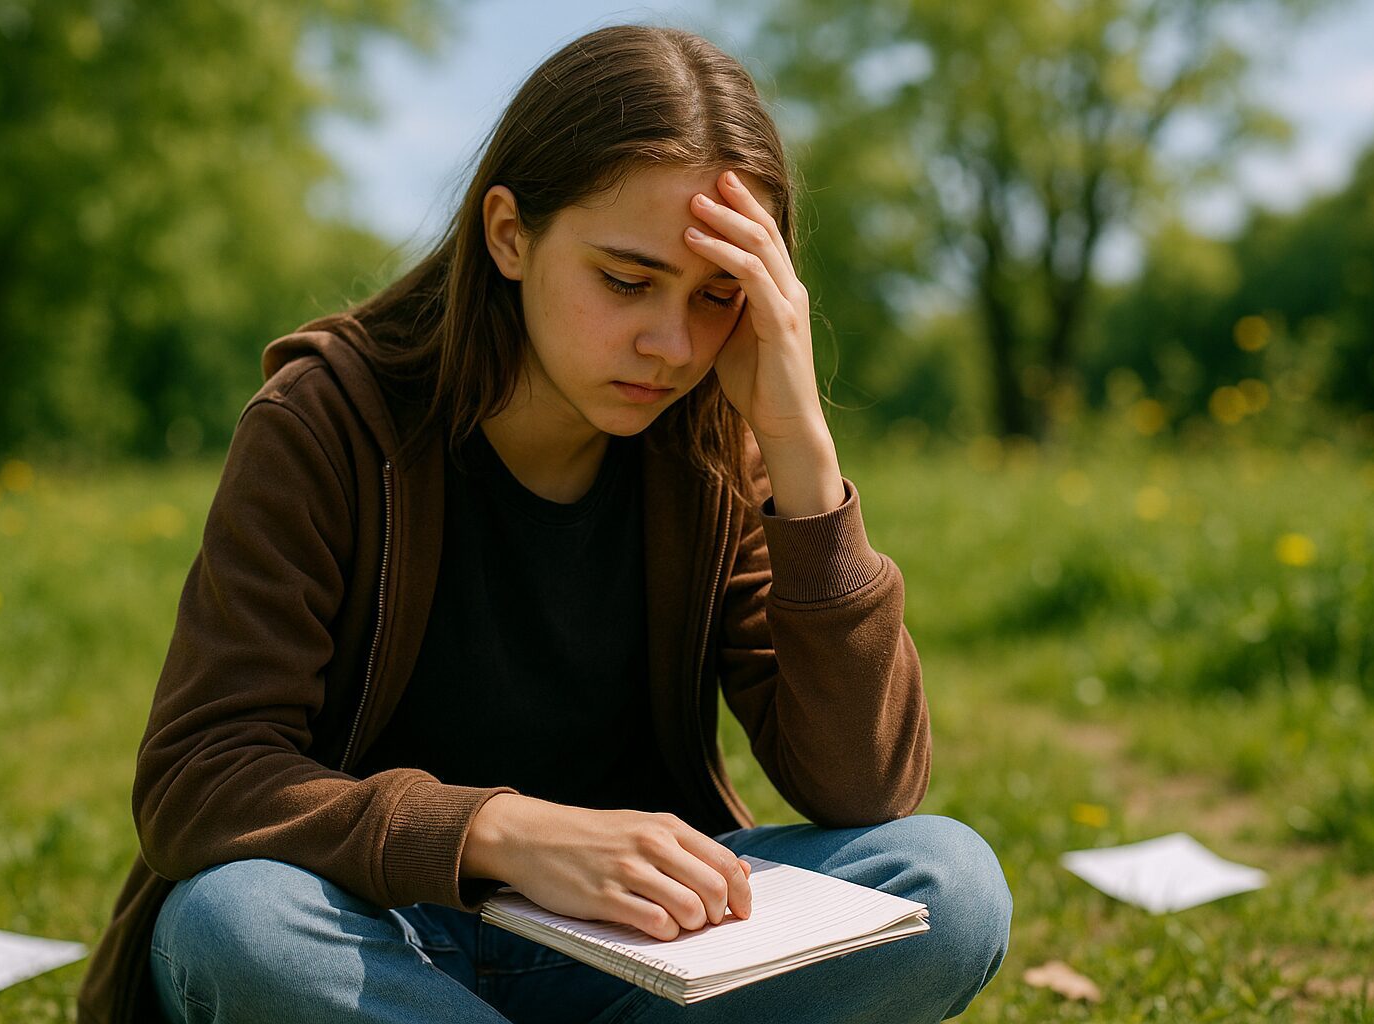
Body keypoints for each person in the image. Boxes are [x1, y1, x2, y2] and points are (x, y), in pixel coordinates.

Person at [76, 22, 1010, 1024]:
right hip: (381, 937)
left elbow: (864, 787)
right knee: (235, 922)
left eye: (719, 296)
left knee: (948, 884)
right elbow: (198, 781)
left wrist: (798, 442)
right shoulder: (325, 424)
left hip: (650, 954)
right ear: (509, 233)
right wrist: (502, 833)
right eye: (626, 279)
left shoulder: (712, 444)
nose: (673, 342)